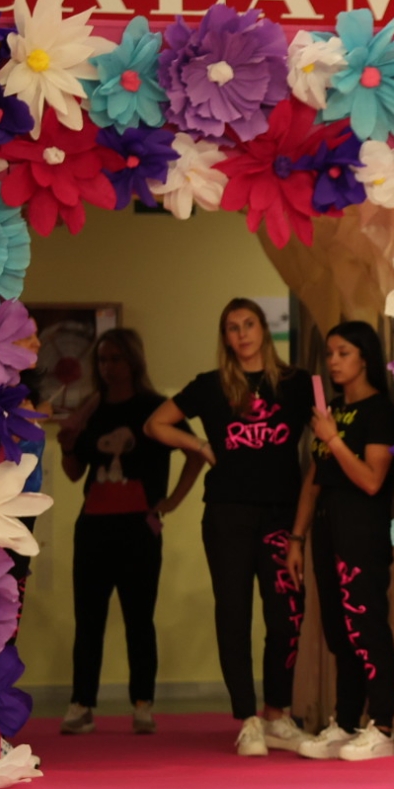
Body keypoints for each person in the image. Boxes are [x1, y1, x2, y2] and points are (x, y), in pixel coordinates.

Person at [146, 298, 314, 757]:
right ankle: (248, 719)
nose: (242, 334)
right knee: (234, 613)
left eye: (249, 324)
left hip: (281, 515)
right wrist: (200, 445)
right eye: (232, 327)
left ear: (263, 329)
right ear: (225, 337)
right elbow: (155, 424)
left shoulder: (297, 384)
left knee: (286, 615)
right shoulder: (211, 385)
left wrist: (301, 529)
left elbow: (323, 441)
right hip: (227, 514)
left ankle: (277, 713)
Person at [57, 329, 204, 736]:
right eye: (102, 359)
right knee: (89, 619)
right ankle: (82, 703)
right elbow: (74, 473)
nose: (108, 367)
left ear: (133, 362)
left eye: (116, 359)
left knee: (139, 618)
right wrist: (67, 445)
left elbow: (196, 451)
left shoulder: (155, 408)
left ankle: (142, 703)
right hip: (93, 527)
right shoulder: (91, 408)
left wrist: (172, 500)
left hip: (139, 528)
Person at [284, 322, 394, 762]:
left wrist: (333, 438)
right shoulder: (331, 409)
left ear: (365, 358)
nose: (333, 361)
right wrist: (297, 537)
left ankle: (383, 725)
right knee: (337, 630)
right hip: (326, 529)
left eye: (343, 353)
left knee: (365, 625)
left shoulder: (380, 412)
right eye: (330, 353)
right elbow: (313, 480)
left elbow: (372, 480)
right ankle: (346, 721)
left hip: (362, 531)